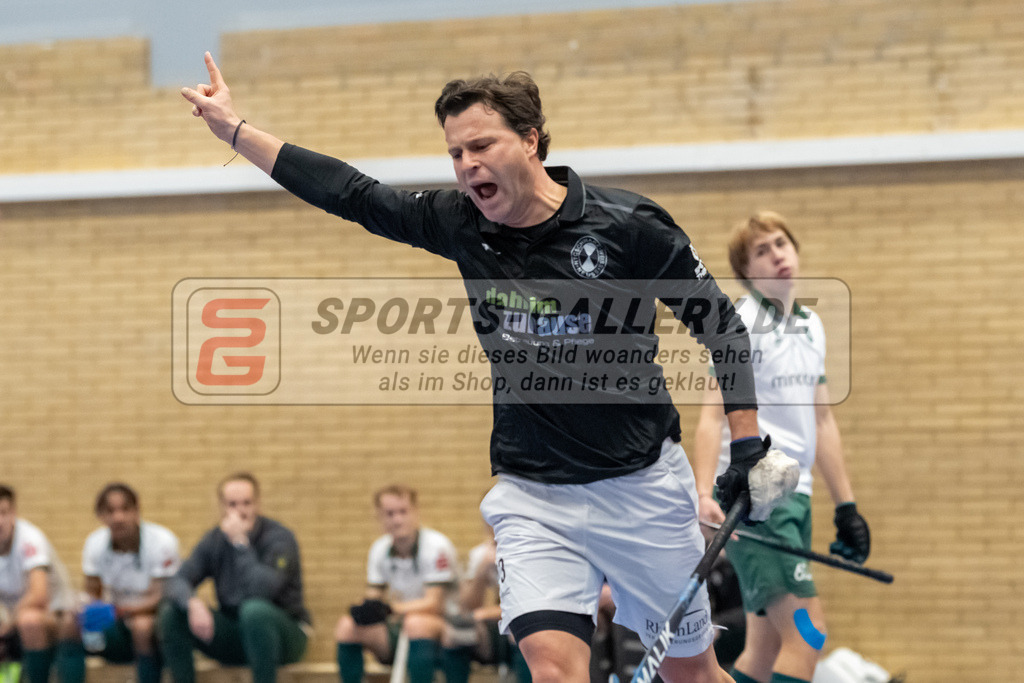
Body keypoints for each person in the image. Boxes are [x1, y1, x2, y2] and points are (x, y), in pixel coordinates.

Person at [181, 55, 788, 683]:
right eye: (454, 153)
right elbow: (352, 193)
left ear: (530, 140)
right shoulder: (463, 224)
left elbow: (721, 325)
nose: (466, 165)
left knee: (691, 674)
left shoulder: (629, 227)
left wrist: (747, 448)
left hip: (640, 489)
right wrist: (235, 131)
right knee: (552, 669)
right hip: (534, 496)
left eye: (480, 145)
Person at [693, 211, 872, 683]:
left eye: (781, 243)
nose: (777, 254)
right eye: (761, 251)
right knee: (807, 631)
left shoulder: (812, 325)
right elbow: (712, 416)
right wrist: (703, 493)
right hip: (759, 501)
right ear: (746, 270)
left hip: (799, 495)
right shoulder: (741, 323)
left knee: (764, 652)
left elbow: (823, 419)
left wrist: (847, 505)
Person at [159, 472, 310, 683]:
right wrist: (192, 602)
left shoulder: (280, 539)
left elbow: (261, 589)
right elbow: (177, 581)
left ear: (257, 504)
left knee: (254, 611)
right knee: (172, 613)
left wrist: (240, 543)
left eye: (246, 503)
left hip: (285, 634)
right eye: (232, 504)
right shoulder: (214, 539)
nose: (240, 511)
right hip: (236, 633)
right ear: (222, 507)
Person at [335, 485, 458, 683]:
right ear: (379, 517)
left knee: (416, 623)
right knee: (346, 626)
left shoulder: (436, 546)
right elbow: (373, 596)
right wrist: (365, 610)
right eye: (390, 514)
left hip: (444, 629)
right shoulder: (379, 549)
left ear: (416, 512)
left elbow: (434, 604)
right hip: (401, 625)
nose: (397, 520)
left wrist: (390, 609)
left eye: (403, 512)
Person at [74, 483, 180, 683]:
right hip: (117, 616)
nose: (118, 518)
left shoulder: (162, 541)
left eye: (125, 509)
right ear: (101, 516)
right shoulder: (95, 544)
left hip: (153, 618)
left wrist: (122, 610)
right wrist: (87, 610)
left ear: (137, 511)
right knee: (72, 623)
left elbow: (161, 597)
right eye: (110, 511)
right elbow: (92, 592)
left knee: (142, 626)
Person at [0, 484, 80, 683]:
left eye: (3, 513)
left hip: (57, 618)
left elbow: (39, 596)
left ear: (14, 514)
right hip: (14, 622)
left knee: (30, 621)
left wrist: (7, 626)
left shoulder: (30, 539)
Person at [442, 519, 530, 683]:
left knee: (517, 628)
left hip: (526, 620)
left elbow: (530, 602)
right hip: (496, 625)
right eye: (490, 522)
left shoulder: (528, 550)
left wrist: (489, 612)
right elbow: (467, 607)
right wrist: (481, 571)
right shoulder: (481, 554)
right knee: (455, 633)